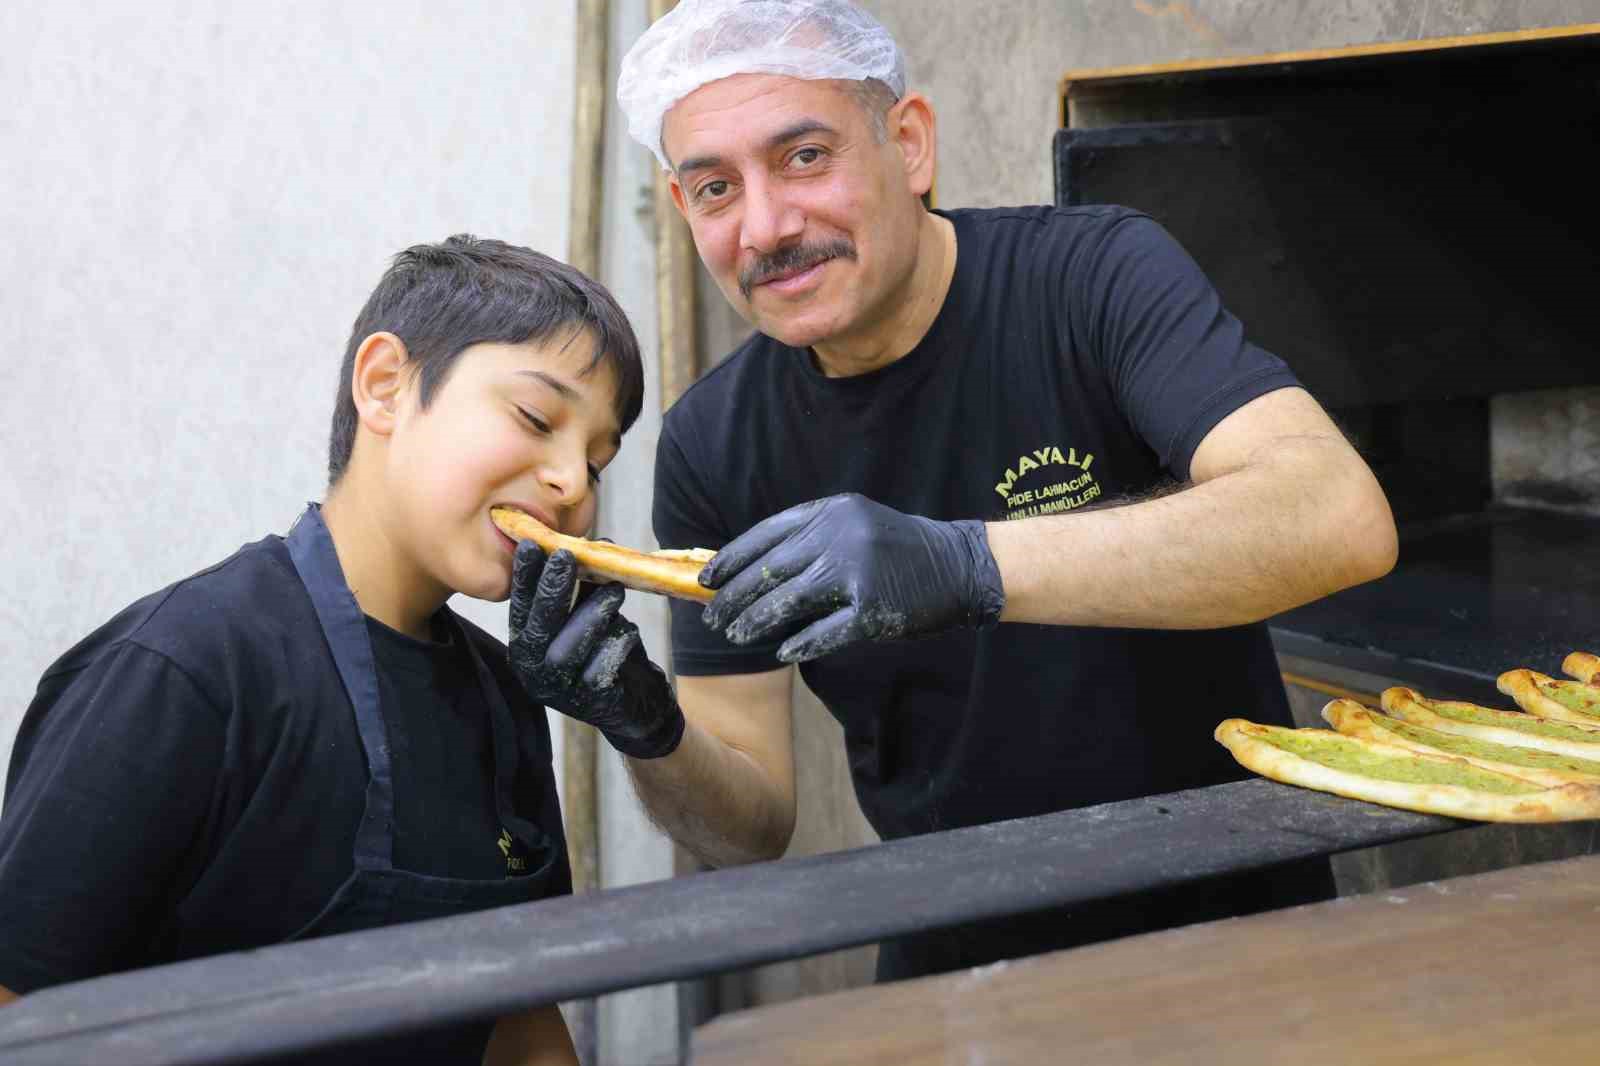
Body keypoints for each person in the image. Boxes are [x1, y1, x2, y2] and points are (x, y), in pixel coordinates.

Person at [512, 0, 1400, 983]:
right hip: (958, 960)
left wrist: (964, 561)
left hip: (1238, 929)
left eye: (805, 155)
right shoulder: (717, 442)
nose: (765, 226)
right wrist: (646, 727)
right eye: (716, 187)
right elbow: (745, 827)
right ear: (684, 213)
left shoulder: (1091, 279)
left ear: (910, 143)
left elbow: (1334, 516)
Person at [0, 236, 650, 1064]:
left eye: (597, 460)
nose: (573, 484)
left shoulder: (506, 697)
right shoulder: (183, 672)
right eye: (535, 418)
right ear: (385, 386)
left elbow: (518, 1029)